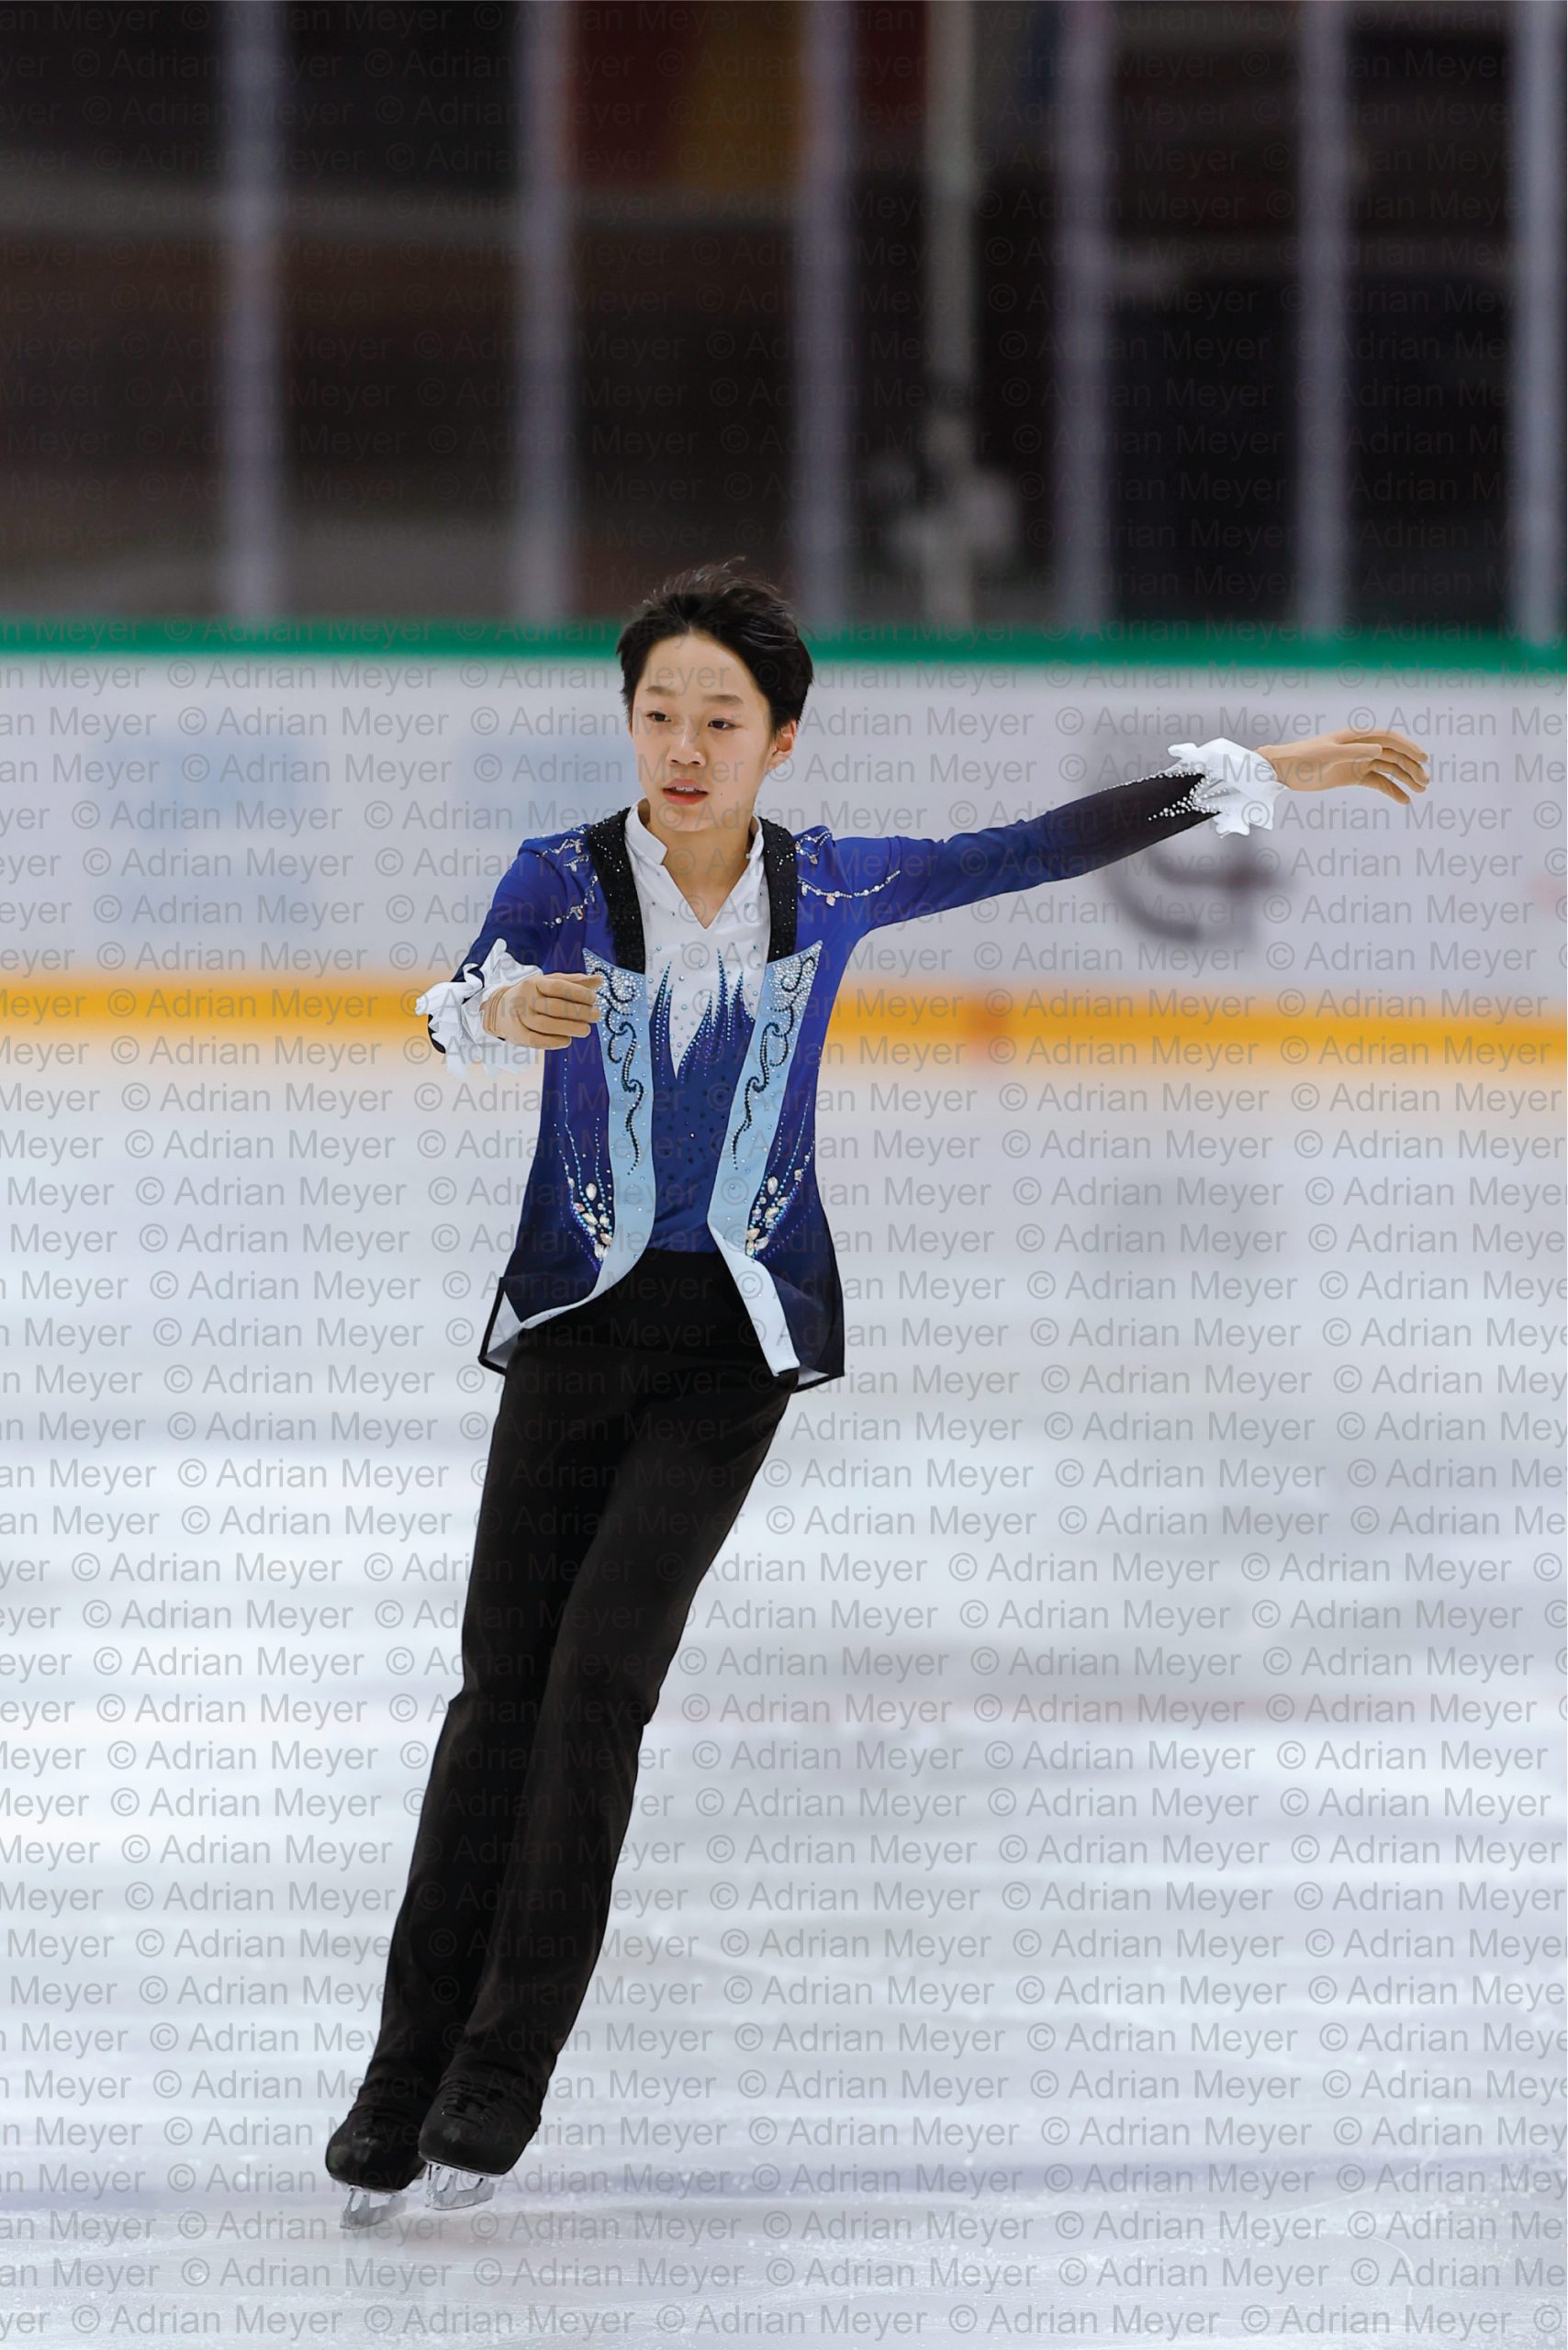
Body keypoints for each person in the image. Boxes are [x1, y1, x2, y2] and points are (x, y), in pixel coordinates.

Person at [325, 558, 1428, 2214]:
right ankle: (397, 2075)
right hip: (569, 1331)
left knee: (596, 1693)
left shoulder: (833, 886)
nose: (682, 747)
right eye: (656, 713)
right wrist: (494, 1012)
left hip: (730, 1352)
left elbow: (1028, 851)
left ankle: (496, 2078)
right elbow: (445, 1009)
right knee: (497, 1700)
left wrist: (1250, 772)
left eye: (719, 719)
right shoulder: (557, 880)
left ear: (782, 740)